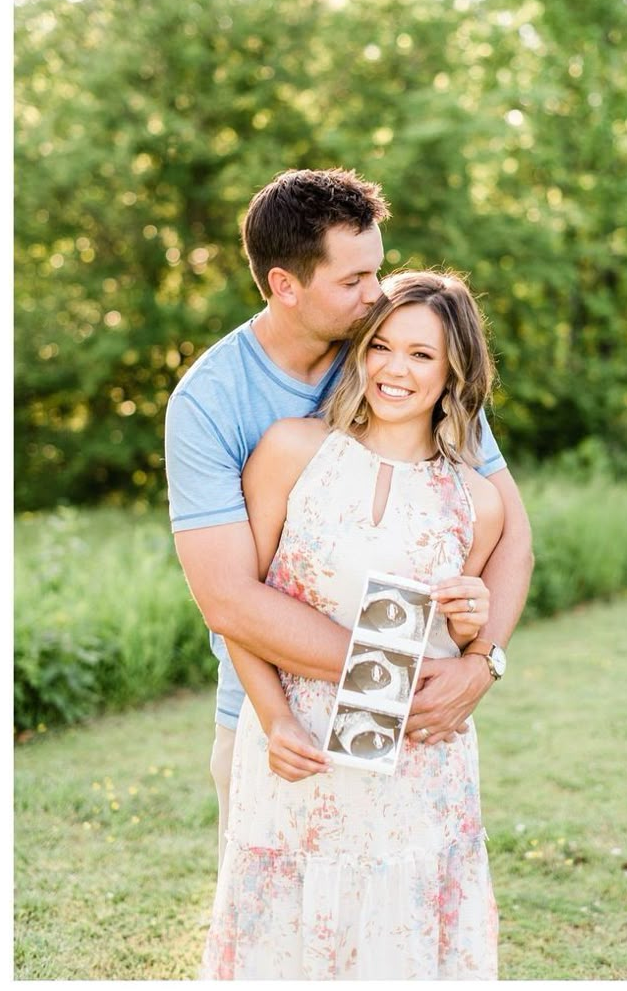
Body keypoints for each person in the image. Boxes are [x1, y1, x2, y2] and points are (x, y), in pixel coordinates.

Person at [164, 168, 533, 870]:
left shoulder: (398, 354)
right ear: (284, 284)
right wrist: (405, 670)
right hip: (276, 720)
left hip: (414, 725)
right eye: (354, 281)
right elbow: (227, 597)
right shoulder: (209, 403)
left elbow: (511, 534)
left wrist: (482, 662)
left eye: (379, 271)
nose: (378, 294)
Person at [200, 270, 506, 979]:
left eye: (422, 355)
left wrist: (473, 627)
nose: (395, 369)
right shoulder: (290, 451)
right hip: (294, 750)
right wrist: (274, 718)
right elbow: (242, 604)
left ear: (454, 370)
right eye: (382, 346)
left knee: (397, 945)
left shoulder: (475, 501)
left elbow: (448, 654)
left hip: (415, 766)